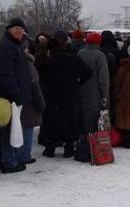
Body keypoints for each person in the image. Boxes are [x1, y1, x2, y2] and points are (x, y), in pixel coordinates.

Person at [39, 30, 93, 158]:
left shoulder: (48, 60)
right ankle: (69, 148)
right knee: (70, 120)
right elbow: (88, 72)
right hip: (70, 94)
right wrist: (78, 82)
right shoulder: (74, 59)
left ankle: (50, 148)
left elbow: (41, 76)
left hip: (52, 94)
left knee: (52, 120)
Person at [0, 17, 32, 173]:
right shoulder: (6, 46)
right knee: (9, 128)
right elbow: (6, 74)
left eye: (21, 29)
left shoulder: (14, 46)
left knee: (9, 128)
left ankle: (7, 159)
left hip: (11, 94)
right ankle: (9, 162)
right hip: (8, 96)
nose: (19, 31)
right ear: (8, 29)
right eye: (16, 28)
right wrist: (16, 94)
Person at [18, 42, 46, 165]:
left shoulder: (9, 62)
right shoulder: (28, 65)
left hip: (14, 99)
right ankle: (24, 155)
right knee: (27, 127)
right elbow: (35, 85)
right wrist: (41, 103)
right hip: (28, 101)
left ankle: (15, 154)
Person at [77, 32, 110, 134]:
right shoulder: (100, 56)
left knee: (82, 114)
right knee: (95, 116)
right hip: (95, 92)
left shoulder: (80, 53)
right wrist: (105, 95)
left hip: (81, 89)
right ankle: (92, 140)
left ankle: (82, 139)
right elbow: (103, 77)